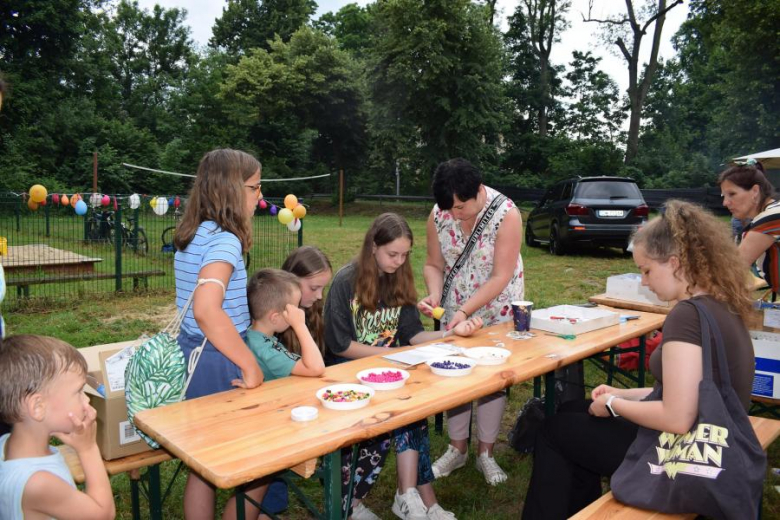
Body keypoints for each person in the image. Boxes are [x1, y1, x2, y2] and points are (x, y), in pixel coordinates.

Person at [521, 200, 756, 519]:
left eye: (646, 270)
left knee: (554, 430)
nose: (644, 282)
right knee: (573, 410)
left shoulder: (686, 316)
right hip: (713, 434)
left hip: (684, 451)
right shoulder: (721, 303)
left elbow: (676, 418)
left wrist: (615, 405)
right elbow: (693, 392)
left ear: (675, 263)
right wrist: (621, 394)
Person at [324, 213, 483, 520]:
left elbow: (413, 336)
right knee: (397, 418)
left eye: (405, 255)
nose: (399, 261)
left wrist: (450, 333)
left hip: (389, 373)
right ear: (373, 246)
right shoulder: (346, 282)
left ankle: (410, 495)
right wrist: (388, 355)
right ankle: (368, 502)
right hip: (348, 377)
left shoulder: (399, 279)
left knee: (413, 413)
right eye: (392, 254)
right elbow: (339, 345)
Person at [173, 148, 268, 520]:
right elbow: (207, 309)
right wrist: (249, 364)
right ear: (230, 189)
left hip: (193, 351)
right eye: (254, 187)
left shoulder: (196, 233)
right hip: (219, 358)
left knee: (203, 464)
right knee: (258, 460)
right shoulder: (225, 240)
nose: (260, 196)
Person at [420, 158, 524, 486]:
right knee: (456, 376)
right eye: (449, 210)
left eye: (461, 207)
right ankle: (457, 449)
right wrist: (436, 295)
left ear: (479, 191)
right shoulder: (439, 214)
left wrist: (466, 310)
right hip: (454, 310)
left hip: (495, 308)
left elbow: (500, 275)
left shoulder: (507, 214)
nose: (455, 216)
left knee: (493, 380)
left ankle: (486, 453)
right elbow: (434, 264)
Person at [0, 335, 116, 520]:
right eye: (78, 392)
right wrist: (88, 449)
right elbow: (103, 514)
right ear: (38, 407)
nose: (86, 400)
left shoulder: (5, 445)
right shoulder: (39, 483)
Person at [246, 268, 325, 380]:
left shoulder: (255, 336)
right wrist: (300, 325)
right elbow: (317, 368)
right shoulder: (266, 353)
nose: (299, 312)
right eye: (294, 308)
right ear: (275, 318)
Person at [718, 160, 780, 291]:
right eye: (724, 196)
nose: (725, 202)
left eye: (732, 194)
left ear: (755, 191)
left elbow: (732, 269)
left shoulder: (771, 218)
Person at [279, 246, 333, 355]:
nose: (319, 296)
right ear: (291, 280)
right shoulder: (276, 319)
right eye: (314, 288)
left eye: (323, 288)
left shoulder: (313, 310)